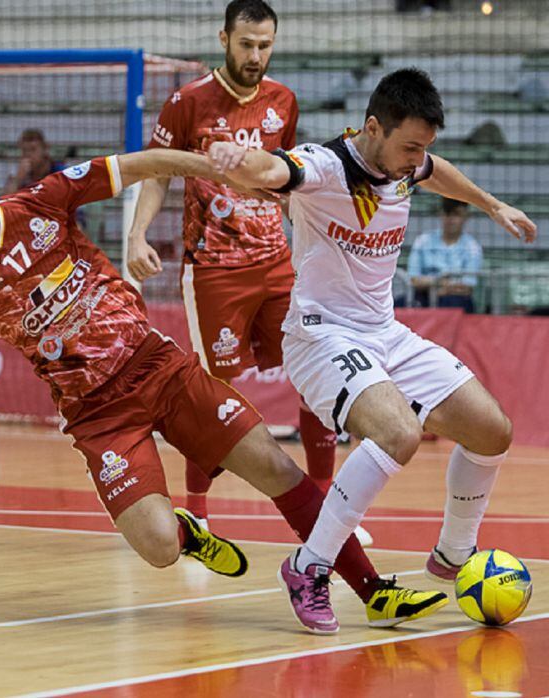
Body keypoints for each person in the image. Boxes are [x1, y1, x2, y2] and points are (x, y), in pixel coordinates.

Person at [0, 146, 447, 634]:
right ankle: (188, 532)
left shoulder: (42, 201)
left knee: (277, 471)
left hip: (159, 367)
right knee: (160, 547)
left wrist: (213, 168)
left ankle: (372, 591)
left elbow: (139, 165)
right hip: (96, 415)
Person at [206, 68, 537, 633]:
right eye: (410, 146)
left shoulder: (405, 166)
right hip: (320, 335)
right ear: (373, 128)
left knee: (491, 429)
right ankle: (307, 568)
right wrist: (243, 162)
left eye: (424, 148)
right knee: (398, 433)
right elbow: (279, 168)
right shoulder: (327, 165)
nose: (417, 159)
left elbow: (439, 174)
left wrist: (491, 205)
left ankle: (455, 554)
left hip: (385, 333)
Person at [126, 0, 363, 543]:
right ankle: (198, 515)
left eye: (265, 45)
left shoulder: (283, 101)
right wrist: (137, 235)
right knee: (211, 392)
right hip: (215, 272)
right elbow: (156, 173)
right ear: (224, 39)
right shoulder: (187, 103)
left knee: (316, 377)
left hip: (278, 266)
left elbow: (287, 180)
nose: (256, 55)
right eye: (246, 44)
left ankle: (328, 515)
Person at [406, 197, 483, 311]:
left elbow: (467, 286)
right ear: (441, 215)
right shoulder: (423, 241)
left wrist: (437, 287)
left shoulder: (472, 246)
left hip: (455, 300)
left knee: (454, 303)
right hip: (423, 296)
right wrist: (440, 284)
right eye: (447, 213)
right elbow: (414, 280)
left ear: (466, 217)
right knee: (400, 303)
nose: (451, 219)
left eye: (456, 214)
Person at [3, 129, 65, 195]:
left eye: (33, 149)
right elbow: (5, 200)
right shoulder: (20, 174)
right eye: (24, 150)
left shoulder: (60, 172)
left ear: (45, 149)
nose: (28, 154)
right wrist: (18, 179)